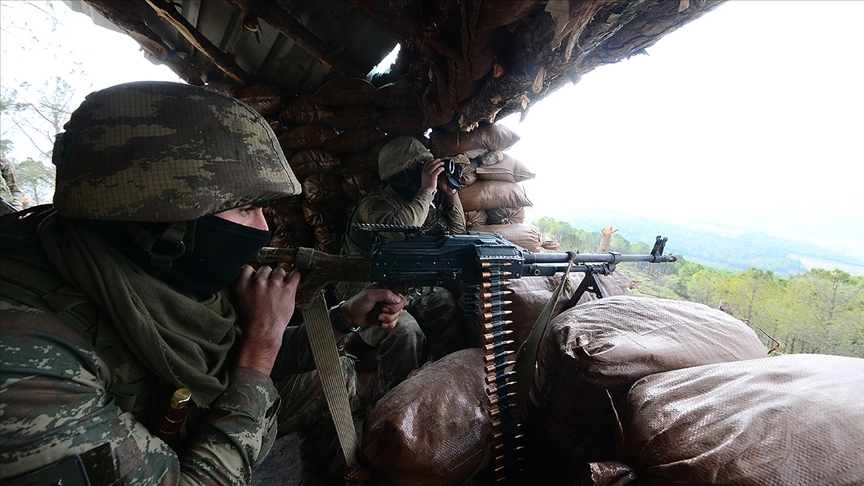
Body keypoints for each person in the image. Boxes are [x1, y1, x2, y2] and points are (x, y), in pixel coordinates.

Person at [0, 81, 406, 486]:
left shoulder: (160, 267)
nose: (263, 229)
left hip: (183, 420)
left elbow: (228, 358)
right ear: (164, 215)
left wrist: (339, 320)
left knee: (334, 381)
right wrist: (260, 351)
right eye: (247, 208)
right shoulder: (28, 358)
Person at [335, 136, 468, 398]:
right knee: (405, 332)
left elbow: (457, 234)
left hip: (404, 286)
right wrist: (427, 189)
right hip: (364, 289)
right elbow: (403, 227)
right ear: (402, 173)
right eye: (420, 168)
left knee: (446, 305)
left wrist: (449, 194)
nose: (426, 175)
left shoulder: (420, 206)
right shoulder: (374, 205)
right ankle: (395, 406)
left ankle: (440, 390)